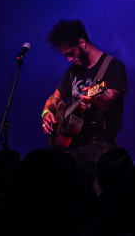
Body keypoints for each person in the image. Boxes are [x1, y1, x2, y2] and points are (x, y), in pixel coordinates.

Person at [41, 19, 128, 179]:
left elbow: (108, 102)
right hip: (71, 147)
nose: (68, 60)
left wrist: (94, 98)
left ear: (82, 43)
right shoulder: (73, 71)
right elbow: (55, 97)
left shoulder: (114, 66)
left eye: (69, 54)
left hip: (99, 146)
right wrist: (46, 112)